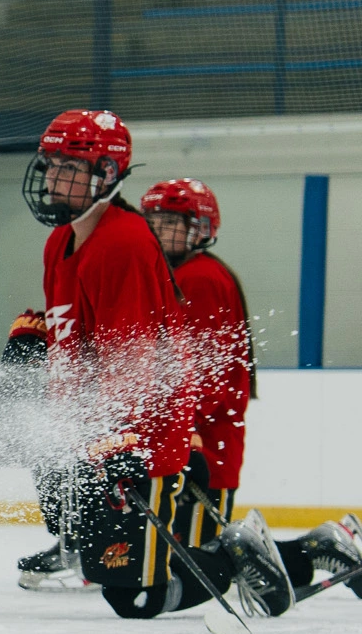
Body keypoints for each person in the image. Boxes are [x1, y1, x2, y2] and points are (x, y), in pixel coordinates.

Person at [0, 110, 294, 621]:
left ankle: (242, 553)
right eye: (49, 166)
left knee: (138, 600)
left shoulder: (126, 243)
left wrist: (119, 444)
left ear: (106, 175)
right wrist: (39, 340)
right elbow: (83, 339)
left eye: (67, 167)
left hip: (134, 440)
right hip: (73, 426)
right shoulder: (60, 242)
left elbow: (136, 364)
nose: (51, 179)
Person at [141, 178, 362, 600]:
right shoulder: (183, 275)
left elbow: (208, 374)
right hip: (196, 438)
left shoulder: (200, 278)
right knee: (214, 558)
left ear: (200, 228)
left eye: (170, 221)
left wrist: (186, 432)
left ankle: (319, 549)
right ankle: (319, 547)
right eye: (152, 221)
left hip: (205, 442)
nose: (158, 230)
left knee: (212, 560)